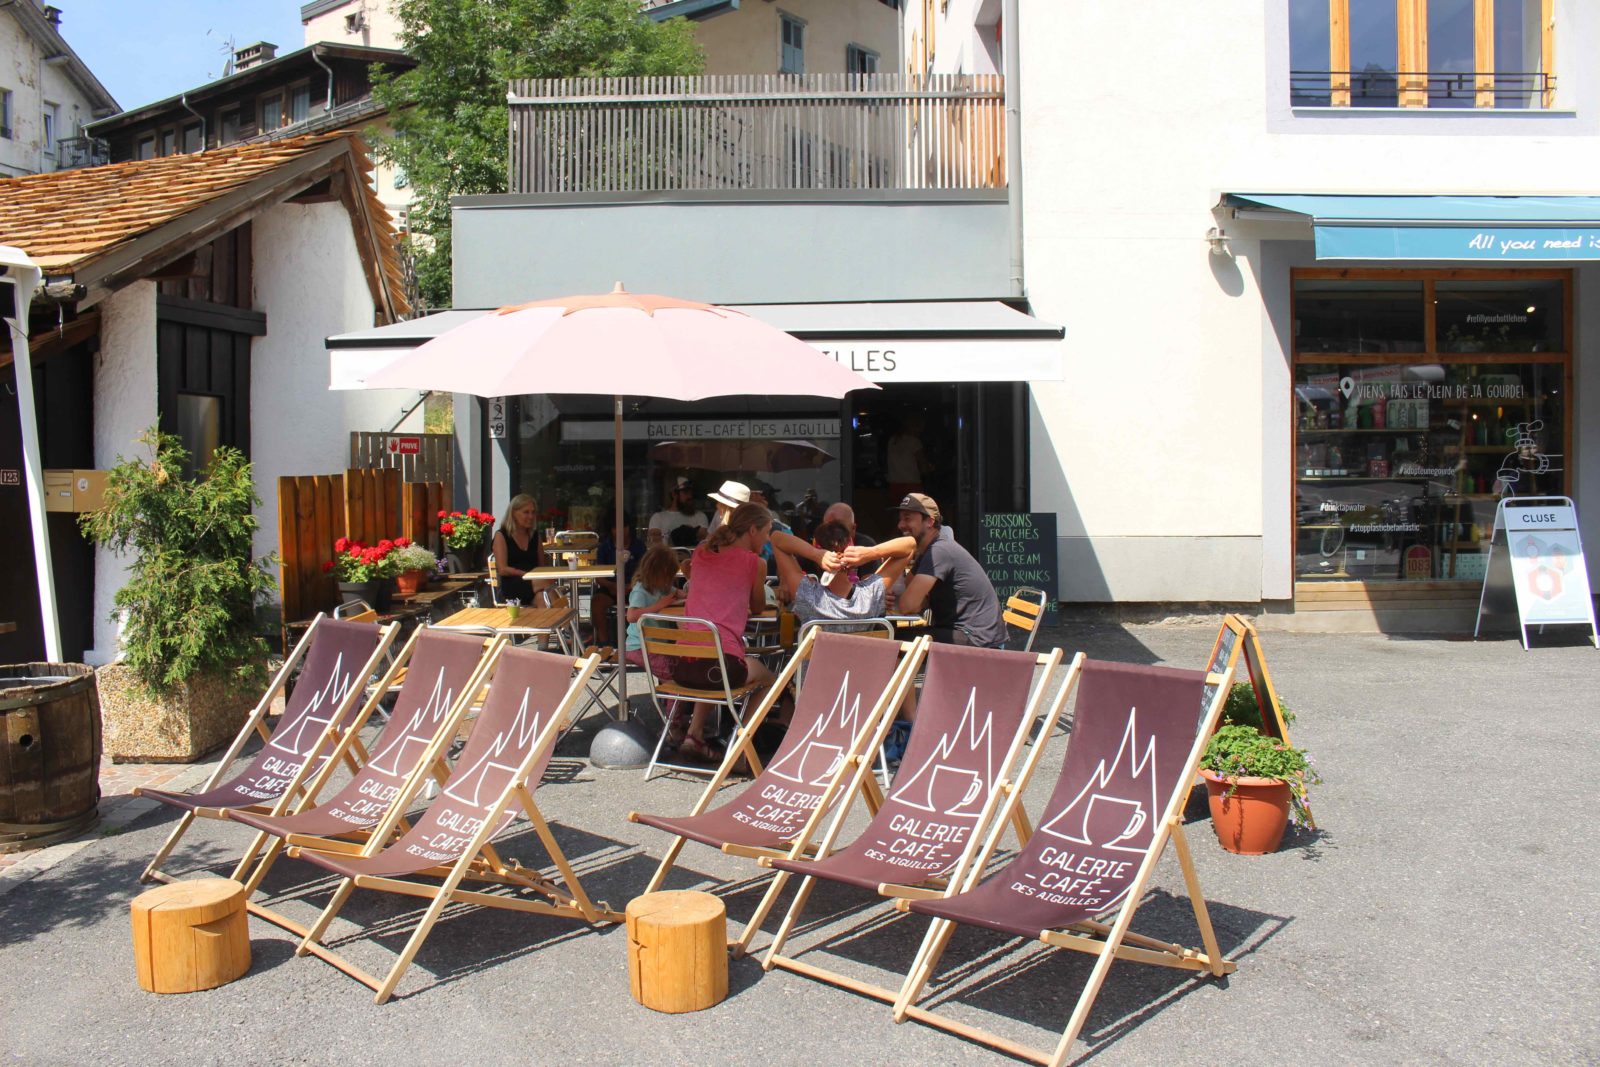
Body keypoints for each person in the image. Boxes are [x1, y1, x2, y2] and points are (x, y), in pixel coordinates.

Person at [677, 502, 778, 761]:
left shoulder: (701, 552)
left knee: (712, 660)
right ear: (753, 530)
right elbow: (757, 606)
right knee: (770, 680)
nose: (767, 539)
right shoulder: (754, 562)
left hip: (682, 666)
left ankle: (694, 734)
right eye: (767, 532)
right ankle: (739, 750)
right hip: (721, 666)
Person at [861, 493, 1006, 648]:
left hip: (976, 639)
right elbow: (907, 592)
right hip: (966, 633)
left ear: (929, 521)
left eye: (907, 518)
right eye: (900, 518)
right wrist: (886, 598)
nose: (901, 525)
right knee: (893, 635)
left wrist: (899, 601)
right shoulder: (928, 552)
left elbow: (907, 606)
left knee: (891, 639)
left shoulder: (939, 551)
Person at [780, 520, 912, 631]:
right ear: (852, 545)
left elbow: (777, 539)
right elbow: (910, 545)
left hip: (820, 663)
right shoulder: (870, 595)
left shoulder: (808, 595)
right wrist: (870, 552)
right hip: (861, 662)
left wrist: (815, 554)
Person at [591, 507, 646, 648]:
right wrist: (613, 586)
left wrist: (631, 586)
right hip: (611, 589)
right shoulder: (604, 548)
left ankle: (639, 643)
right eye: (616, 528)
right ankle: (605, 644)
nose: (620, 531)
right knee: (596, 603)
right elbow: (598, 577)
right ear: (611, 530)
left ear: (629, 527)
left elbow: (645, 572)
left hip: (635, 589)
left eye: (624, 527)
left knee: (645, 601)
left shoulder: (639, 546)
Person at [490, 493, 549, 605]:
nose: (531, 516)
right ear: (513, 513)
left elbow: (541, 566)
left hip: (535, 584)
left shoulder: (534, 536)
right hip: (513, 585)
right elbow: (502, 569)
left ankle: (553, 621)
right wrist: (524, 574)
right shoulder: (502, 535)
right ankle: (566, 619)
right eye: (526, 512)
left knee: (543, 598)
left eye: (533, 512)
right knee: (546, 583)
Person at [648, 476, 708, 547]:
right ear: (674, 494)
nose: (690, 496)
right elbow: (655, 545)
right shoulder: (658, 518)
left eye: (691, 492)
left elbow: (703, 543)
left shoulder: (700, 516)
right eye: (685, 492)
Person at [887, 413, 933, 501]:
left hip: (894, 484)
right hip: (912, 484)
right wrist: (929, 469)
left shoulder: (892, 440)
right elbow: (923, 466)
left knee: (898, 511)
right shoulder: (914, 442)